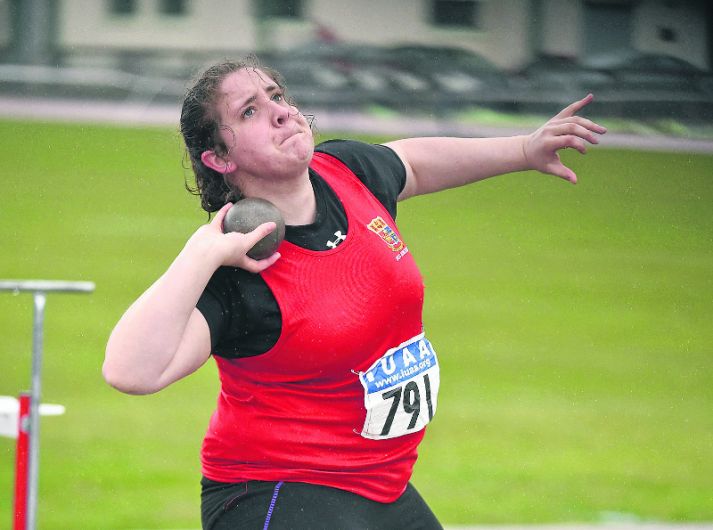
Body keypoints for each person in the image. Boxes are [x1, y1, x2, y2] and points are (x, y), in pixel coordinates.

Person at [103, 56, 606, 529]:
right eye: (250, 111)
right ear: (219, 157)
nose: (281, 112)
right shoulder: (241, 269)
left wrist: (522, 149)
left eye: (277, 95)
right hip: (276, 491)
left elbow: (415, 161)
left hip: (382, 486)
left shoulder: (345, 173)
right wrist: (200, 252)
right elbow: (130, 372)